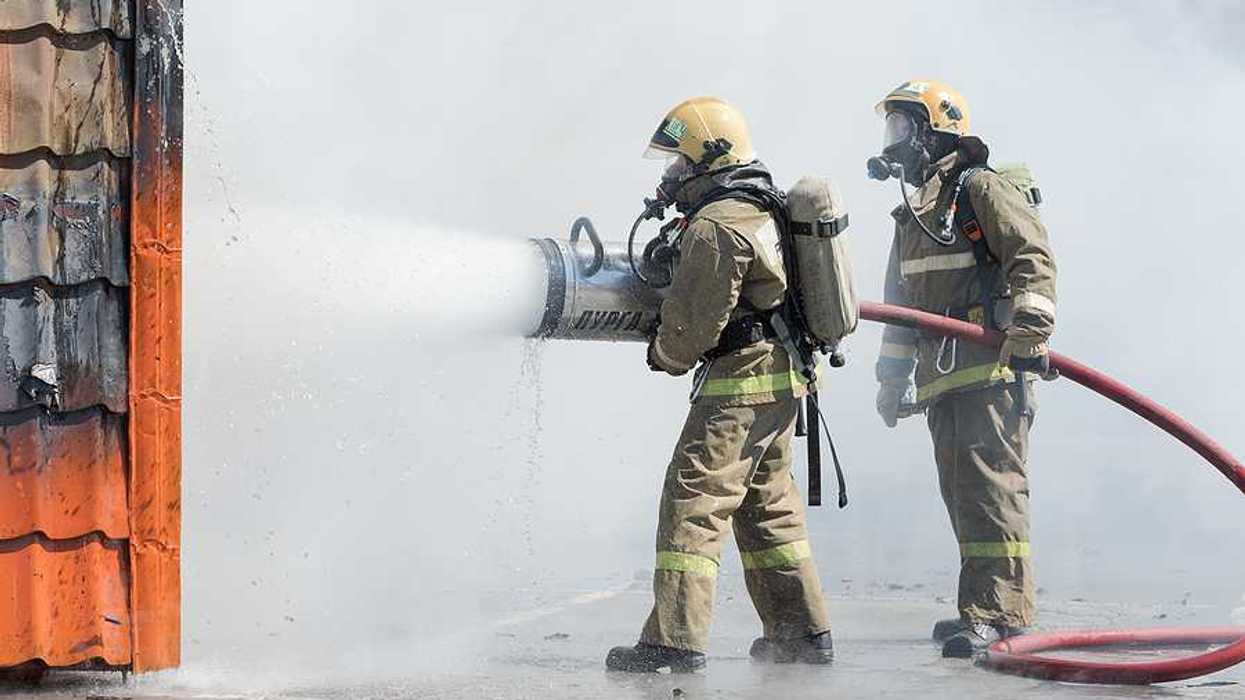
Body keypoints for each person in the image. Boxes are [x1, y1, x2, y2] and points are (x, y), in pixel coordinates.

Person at [605, 96, 833, 672]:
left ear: (709, 157)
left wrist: (662, 352)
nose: (669, 176)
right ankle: (801, 633)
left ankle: (672, 643)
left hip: (739, 386)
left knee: (693, 502)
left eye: (677, 163)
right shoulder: (762, 207)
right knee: (768, 509)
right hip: (784, 381)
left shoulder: (715, 225)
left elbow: (691, 329)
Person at [869, 80, 1057, 658]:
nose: (893, 140)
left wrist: (1029, 332)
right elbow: (898, 303)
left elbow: (1033, 257)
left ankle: (1001, 616)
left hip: (993, 370)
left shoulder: (981, 189)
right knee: (962, 495)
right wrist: (891, 378)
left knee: (992, 492)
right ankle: (978, 609)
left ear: (933, 130)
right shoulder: (917, 212)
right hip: (943, 376)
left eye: (901, 126)